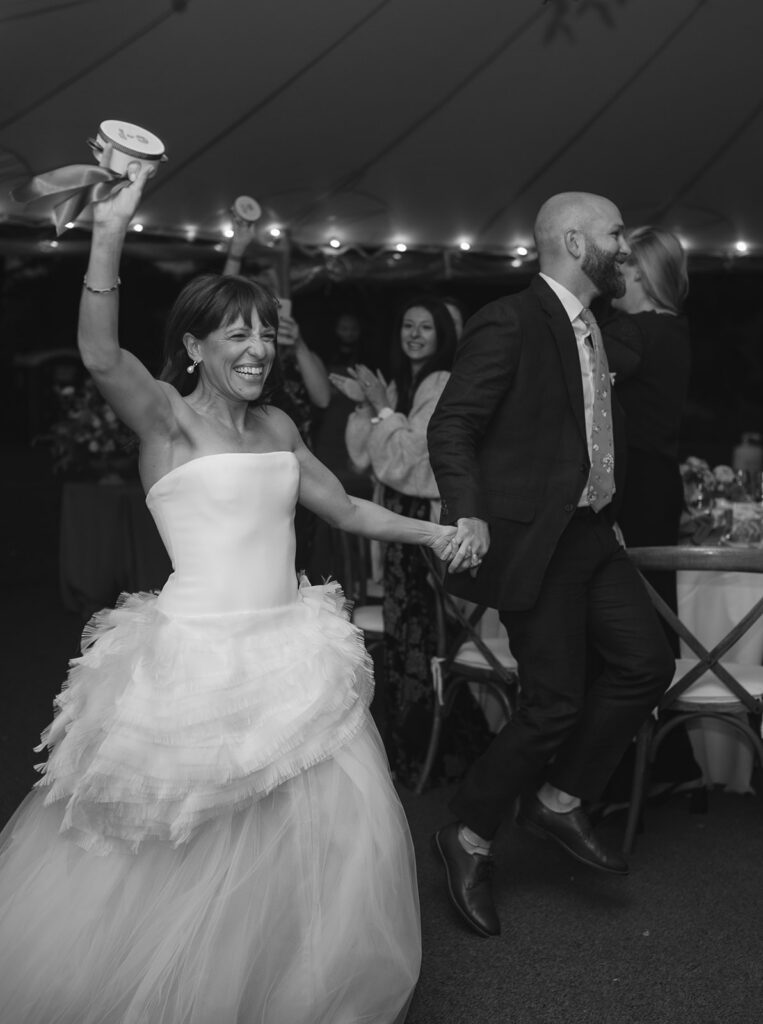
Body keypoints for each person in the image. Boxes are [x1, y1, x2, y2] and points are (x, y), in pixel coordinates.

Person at [0, 163, 460, 1023]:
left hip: (292, 650)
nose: (256, 351)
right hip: (195, 659)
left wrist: (438, 531)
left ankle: (285, 991)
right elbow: (100, 354)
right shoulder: (166, 421)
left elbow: (347, 503)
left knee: (322, 841)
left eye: (265, 337)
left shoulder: (281, 426)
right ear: (195, 350)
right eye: (236, 338)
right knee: (181, 848)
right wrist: (112, 227)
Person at [426, 192, 675, 939]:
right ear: (573, 238)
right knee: (553, 703)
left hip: (594, 534)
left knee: (645, 663)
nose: (623, 245)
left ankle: (561, 798)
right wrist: (468, 508)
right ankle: (466, 836)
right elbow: (453, 425)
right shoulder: (509, 320)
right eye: (612, 233)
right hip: (537, 540)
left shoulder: (593, 326)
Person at [332, 297, 478, 787]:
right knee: (403, 629)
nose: (415, 334)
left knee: (421, 631)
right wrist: (368, 404)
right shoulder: (402, 381)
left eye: (426, 327)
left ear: (443, 335)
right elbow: (364, 458)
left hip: (424, 518)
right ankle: (418, 747)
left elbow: (413, 462)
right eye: (408, 325)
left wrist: (384, 409)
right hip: (399, 517)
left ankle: (425, 752)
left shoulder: (441, 383)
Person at [596, 225, 700, 804]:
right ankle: (669, 762)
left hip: (635, 493)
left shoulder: (634, 332)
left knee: (625, 630)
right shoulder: (670, 329)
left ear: (637, 269)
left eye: (618, 261)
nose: (611, 269)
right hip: (654, 487)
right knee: (653, 620)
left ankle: (628, 771)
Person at [223, 217, 331, 569]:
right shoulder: (243, 362)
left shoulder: (292, 350)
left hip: (298, 469)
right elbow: (219, 306)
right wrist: (236, 253)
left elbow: (323, 399)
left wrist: (298, 344)